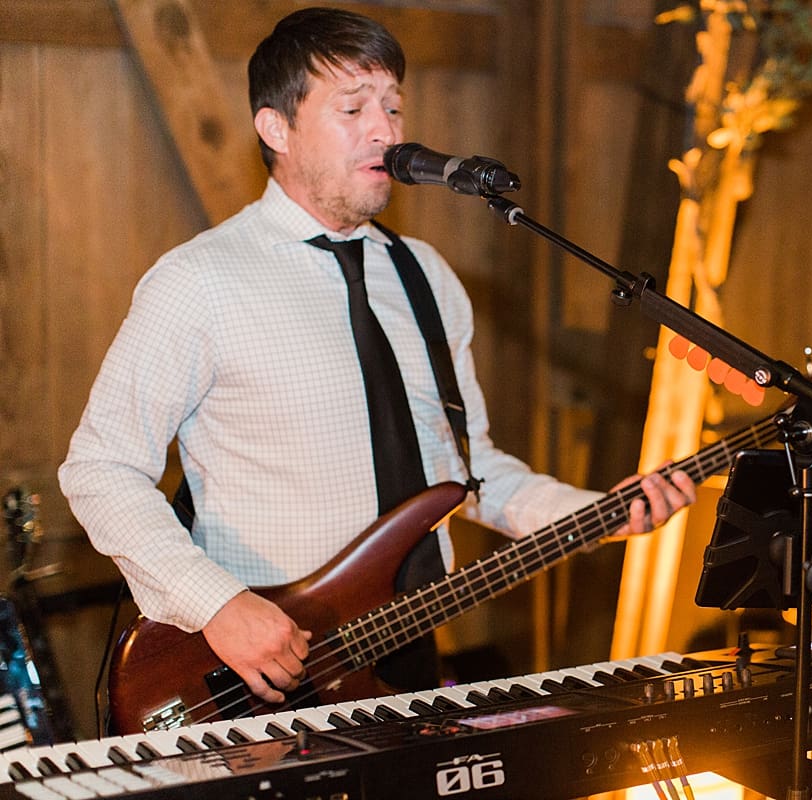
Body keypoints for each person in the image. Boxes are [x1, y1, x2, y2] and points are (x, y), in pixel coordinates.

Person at [58, 7, 694, 706]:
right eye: (353, 107)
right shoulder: (200, 281)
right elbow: (102, 469)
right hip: (258, 671)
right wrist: (218, 605)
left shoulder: (426, 277)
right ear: (276, 128)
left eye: (392, 106)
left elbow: (469, 469)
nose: (387, 130)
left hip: (409, 658)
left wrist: (601, 510)